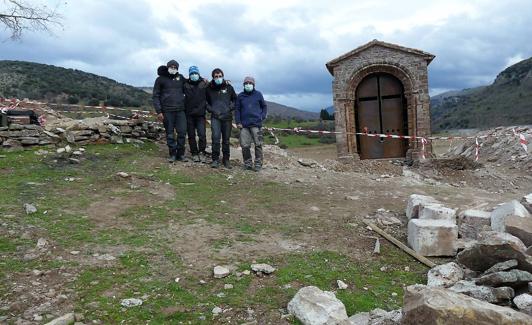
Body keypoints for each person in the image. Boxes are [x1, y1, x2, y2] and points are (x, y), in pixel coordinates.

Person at [152, 59, 188, 162]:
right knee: (170, 134)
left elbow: (191, 84)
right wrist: (159, 111)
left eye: (175, 67)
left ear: (177, 69)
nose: (173, 69)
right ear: (167, 67)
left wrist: (203, 80)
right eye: (171, 67)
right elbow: (155, 96)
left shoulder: (180, 78)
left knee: (182, 133)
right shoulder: (160, 79)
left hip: (180, 110)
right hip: (167, 111)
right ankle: (172, 154)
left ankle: (180, 155)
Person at [206, 68, 237, 169]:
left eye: (220, 76)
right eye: (216, 76)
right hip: (215, 117)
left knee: (226, 140)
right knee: (215, 138)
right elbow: (205, 102)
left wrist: (229, 108)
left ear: (223, 76)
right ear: (213, 77)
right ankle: (215, 159)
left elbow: (235, 101)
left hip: (227, 118)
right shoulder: (209, 88)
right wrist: (211, 110)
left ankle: (226, 160)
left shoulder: (229, 87)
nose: (218, 78)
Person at [235, 76, 267, 171]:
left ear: (253, 85)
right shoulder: (240, 96)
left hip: (257, 124)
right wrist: (238, 122)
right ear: (244, 85)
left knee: (258, 144)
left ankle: (258, 163)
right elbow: (237, 110)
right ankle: (248, 163)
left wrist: (262, 116)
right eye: (246, 83)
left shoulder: (258, 94)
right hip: (244, 125)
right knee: (244, 145)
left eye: (250, 83)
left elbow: (264, 106)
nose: (248, 85)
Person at [184, 66, 208, 163]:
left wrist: (225, 82)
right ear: (189, 75)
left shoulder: (204, 83)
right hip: (189, 114)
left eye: (195, 73)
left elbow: (215, 86)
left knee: (202, 135)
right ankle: (194, 153)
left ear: (198, 74)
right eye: (192, 74)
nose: (194, 75)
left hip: (200, 115)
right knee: (191, 135)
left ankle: (201, 152)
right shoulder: (185, 85)